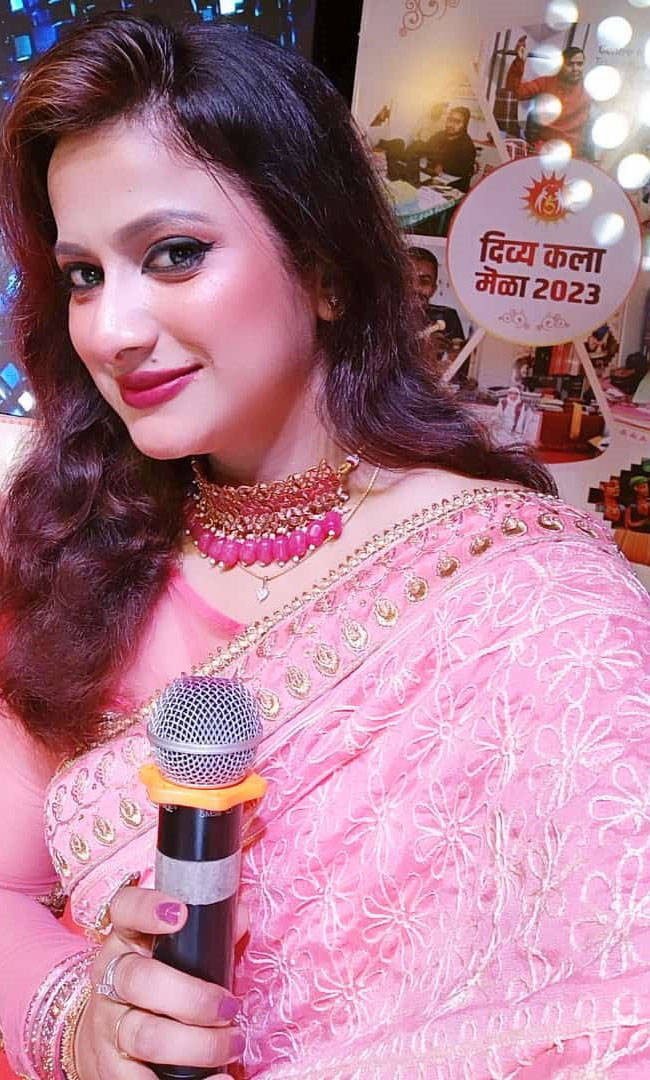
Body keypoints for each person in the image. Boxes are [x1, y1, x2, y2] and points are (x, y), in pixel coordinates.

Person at [0, 14, 649, 1080]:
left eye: (173, 254)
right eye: (83, 275)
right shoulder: (83, 547)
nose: (111, 329)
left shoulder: (532, 600)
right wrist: (80, 1017)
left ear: (326, 271)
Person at [505, 43, 592, 157]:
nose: (575, 69)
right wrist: (519, 62)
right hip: (543, 148)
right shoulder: (545, 82)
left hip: (572, 153)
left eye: (579, 64)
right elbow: (517, 93)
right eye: (570, 64)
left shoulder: (589, 90)